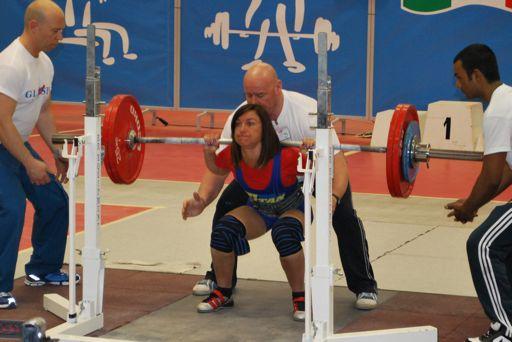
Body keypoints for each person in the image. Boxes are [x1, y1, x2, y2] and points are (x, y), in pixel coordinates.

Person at [188, 62, 378, 310]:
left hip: (309, 169)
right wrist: (201, 200)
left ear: (278, 87)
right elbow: (222, 167)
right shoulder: (243, 117)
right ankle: (220, 280)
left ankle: (364, 285)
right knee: (226, 205)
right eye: (248, 95)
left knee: (343, 215)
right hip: (267, 177)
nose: (253, 101)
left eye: (260, 95)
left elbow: (337, 163)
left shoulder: (306, 112)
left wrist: (332, 197)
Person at [183, 103, 307, 320]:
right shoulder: (233, 155)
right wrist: (209, 153)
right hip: (259, 210)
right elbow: (217, 169)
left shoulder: (287, 157)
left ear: (264, 129)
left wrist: (312, 151)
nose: (242, 129)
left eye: (250, 123)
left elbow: (320, 170)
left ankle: (301, 298)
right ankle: (223, 292)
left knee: (284, 234)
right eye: (238, 124)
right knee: (223, 231)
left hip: (293, 208)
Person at [0, 0, 78, 310]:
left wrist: (56, 150)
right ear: (34, 26)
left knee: (55, 201)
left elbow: (43, 109)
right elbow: (2, 122)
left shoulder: (44, 62)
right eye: (55, 31)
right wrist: (29, 161)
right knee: (11, 208)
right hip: (3, 141)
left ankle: (42, 269)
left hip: (15, 141)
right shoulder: (10, 64)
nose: (59, 37)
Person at [446, 44, 512, 342]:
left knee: (483, 244)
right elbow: (508, 172)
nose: (457, 85)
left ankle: (506, 331)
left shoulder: (498, 111)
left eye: (459, 77)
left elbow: (491, 175)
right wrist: (473, 205)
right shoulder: (507, 99)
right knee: (504, 245)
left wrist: (469, 206)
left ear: (476, 75)